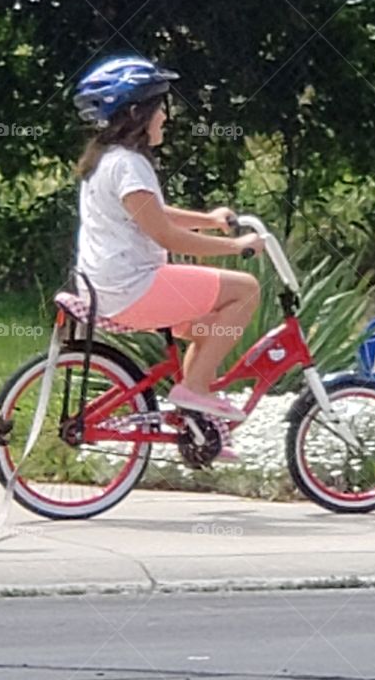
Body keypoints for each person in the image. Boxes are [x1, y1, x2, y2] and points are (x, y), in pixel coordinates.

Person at [73, 55, 262, 429]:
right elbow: (164, 233)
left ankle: (195, 423)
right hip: (133, 288)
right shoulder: (128, 164)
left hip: (109, 287)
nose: (166, 117)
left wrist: (208, 222)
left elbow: (152, 213)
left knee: (210, 329)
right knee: (247, 290)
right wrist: (236, 247)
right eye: (160, 108)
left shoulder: (107, 160)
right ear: (135, 113)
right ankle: (194, 390)